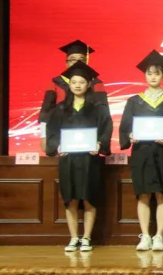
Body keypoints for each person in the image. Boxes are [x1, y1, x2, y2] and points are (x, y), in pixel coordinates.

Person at [119, 50, 163, 251]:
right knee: (143, 194)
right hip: (142, 153)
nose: (153, 77)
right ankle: (145, 236)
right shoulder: (134, 101)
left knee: (162, 193)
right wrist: (130, 136)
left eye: (157, 73)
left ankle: (159, 236)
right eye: (149, 73)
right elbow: (125, 127)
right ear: (145, 76)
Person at [45, 62, 113, 252]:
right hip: (68, 160)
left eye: (81, 82)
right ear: (69, 84)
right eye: (74, 82)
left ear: (88, 84)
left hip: (89, 160)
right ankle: (74, 237)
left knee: (89, 198)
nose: (77, 85)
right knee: (71, 199)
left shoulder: (98, 107)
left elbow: (106, 129)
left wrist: (100, 144)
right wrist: (57, 146)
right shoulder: (60, 109)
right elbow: (52, 132)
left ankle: (86, 238)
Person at [38, 40, 108, 152]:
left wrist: (101, 141)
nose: (77, 63)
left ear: (86, 62)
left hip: (89, 136)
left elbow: (103, 116)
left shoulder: (96, 84)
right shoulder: (55, 83)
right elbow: (46, 112)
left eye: (81, 60)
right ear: (66, 63)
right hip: (61, 136)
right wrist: (44, 136)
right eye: (72, 59)